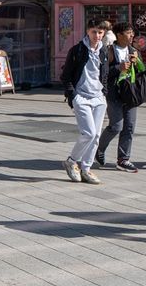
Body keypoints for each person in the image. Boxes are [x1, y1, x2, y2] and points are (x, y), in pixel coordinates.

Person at [60, 19, 110, 185]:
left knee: (96, 136)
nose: (97, 35)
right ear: (88, 31)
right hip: (81, 96)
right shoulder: (78, 50)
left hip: (98, 98)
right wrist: (73, 95)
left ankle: (86, 169)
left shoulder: (103, 51)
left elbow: (105, 74)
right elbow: (66, 75)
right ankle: (71, 161)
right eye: (94, 32)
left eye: (100, 32)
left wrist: (104, 93)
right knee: (88, 133)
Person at [96, 22, 142, 172]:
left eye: (132, 33)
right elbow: (102, 72)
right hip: (114, 93)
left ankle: (123, 159)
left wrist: (137, 64)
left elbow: (141, 72)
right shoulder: (108, 51)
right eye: (129, 33)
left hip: (130, 94)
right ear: (119, 35)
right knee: (116, 126)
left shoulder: (134, 51)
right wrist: (118, 67)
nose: (132, 35)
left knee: (129, 127)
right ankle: (99, 149)